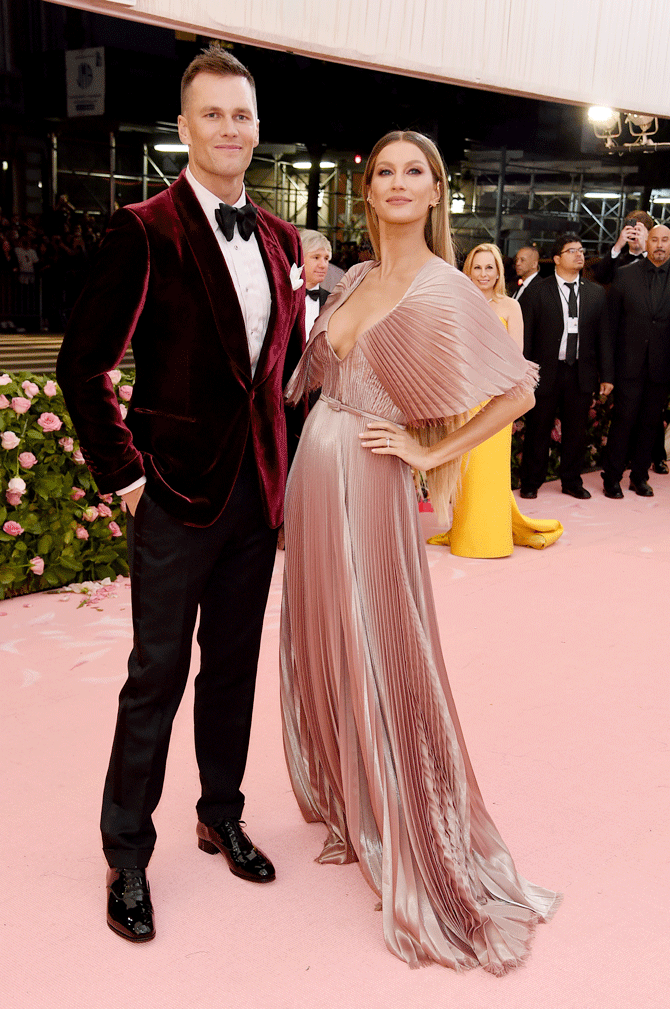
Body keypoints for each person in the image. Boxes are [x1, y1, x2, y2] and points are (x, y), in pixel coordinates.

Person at [280, 130, 560, 973]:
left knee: (384, 644)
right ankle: (352, 797)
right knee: (328, 641)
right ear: (368, 191)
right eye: (384, 172)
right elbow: (308, 378)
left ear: (436, 193)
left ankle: (414, 822)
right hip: (311, 480)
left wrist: (433, 453)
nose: (398, 183)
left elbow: (518, 388)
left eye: (415, 172)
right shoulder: (359, 276)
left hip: (369, 488)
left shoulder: (444, 289)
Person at [57, 44, 305, 943]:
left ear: (256, 127)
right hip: (172, 492)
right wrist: (125, 475)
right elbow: (81, 366)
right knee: (154, 675)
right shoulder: (144, 227)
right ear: (186, 125)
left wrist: (289, 477)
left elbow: (277, 376)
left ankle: (221, 811)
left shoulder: (280, 239)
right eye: (213, 114)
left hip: (256, 500)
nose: (231, 129)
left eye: (242, 114)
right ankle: (126, 852)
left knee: (232, 669)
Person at [428, 243, 563, 555]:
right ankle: (464, 534)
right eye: (478, 267)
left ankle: (491, 537)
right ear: (468, 271)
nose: (483, 273)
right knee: (465, 469)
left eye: (490, 267)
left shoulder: (510, 307)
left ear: (499, 272)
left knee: (491, 470)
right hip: (462, 399)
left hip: (498, 400)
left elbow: (516, 356)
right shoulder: (457, 304)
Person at [519, 233, 613, 499]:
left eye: (582, 250)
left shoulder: (595, 293)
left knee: (575, 431)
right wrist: (524, 373)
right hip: (545, 371)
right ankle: (531, 482)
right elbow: (525, 336)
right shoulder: (537, 291)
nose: (579, 255)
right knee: (538, 428)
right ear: (557, 259)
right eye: (572, 251)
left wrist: (607, 374)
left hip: (580, 372)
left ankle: (571, 481)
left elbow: (603, 336)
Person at [601, 224, 670, 498]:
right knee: (623, 421)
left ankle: (639, 476)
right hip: (628, 366)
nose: (660, 245)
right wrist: (607, 372)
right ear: (647, 242)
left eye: (665, 240)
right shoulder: (625, 275)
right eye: (655, 240)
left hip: (662, 367)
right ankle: (612, 477)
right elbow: (609, 326)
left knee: (650, 424)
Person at [590, 210, 654, 286]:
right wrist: (618, 246)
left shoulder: (656, 257)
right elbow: (600, 278)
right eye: (632, 230)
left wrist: (645, 250)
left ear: (649, 234)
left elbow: (659, 281)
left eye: (639, 231)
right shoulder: (618, 257)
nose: (635, 235)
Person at [299, 229, 331, 340]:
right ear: (299, 258)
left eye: (326, 258)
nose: (323, 265)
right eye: (316, 257)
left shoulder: (332, 301)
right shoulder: (283, 298)